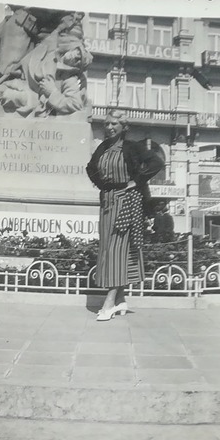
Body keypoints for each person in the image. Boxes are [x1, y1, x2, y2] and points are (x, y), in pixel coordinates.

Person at [86, 109, 162, 322]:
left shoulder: (132, 147)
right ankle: (120, 299)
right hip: (107, 203)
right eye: (107, 124)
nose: (109, 127)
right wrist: (102, 185)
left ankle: (109, 301)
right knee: (108, 251)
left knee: (118, 249)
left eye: (114, 124)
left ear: (123, 127)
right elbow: (90, 168)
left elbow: (156, 163)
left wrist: (136, 181)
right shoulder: (102, 147)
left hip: (127, 202)